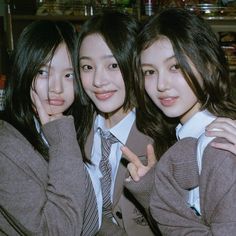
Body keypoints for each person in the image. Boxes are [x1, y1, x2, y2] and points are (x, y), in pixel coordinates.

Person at [121, 7, 236, 235]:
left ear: (209, 66)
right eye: (149, 72)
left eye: (175, 67)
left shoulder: (218, 145)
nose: (161, 84)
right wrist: (153, 188)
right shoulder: (180, 137)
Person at [0, 20, 99, 235]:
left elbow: (93, 214)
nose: (57, 88)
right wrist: (61, 138)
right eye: (43, 72)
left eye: (68, 75)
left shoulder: (75, 122)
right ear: (24, 71)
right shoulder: (6, 148)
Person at [77, 10, 158, 236]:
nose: (98, 81)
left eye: (112, 65)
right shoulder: (74, 130)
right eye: (87, 67)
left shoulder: (162, 139)